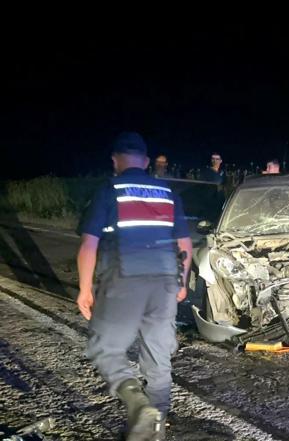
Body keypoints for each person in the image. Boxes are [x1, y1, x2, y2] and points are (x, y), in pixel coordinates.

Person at [76, 132, 192, 441]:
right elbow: (185, 243)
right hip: (166, 282)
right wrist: (182, 283)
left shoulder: (109, 190)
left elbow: (89, 244)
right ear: (145, 161)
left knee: (107, 348)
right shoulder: (168, 192)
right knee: (158, 355)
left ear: (115, 160)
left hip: (125, 279)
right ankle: (157, 427)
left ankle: (139, 407)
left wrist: (84, 289)